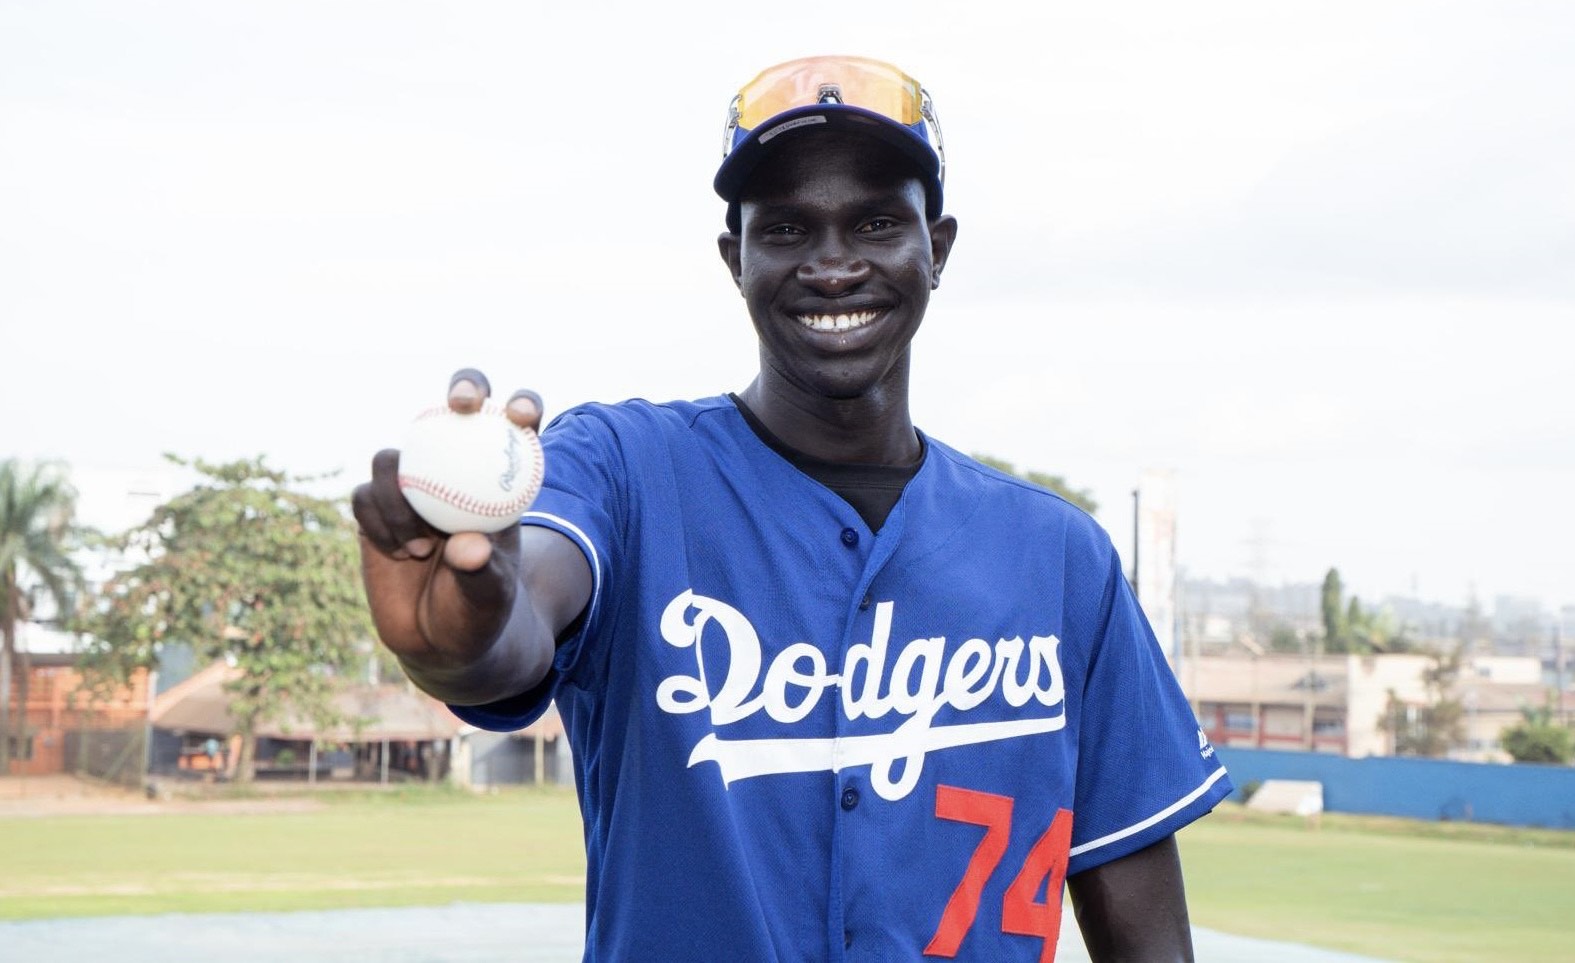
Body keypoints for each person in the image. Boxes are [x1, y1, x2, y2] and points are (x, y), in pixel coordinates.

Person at [354, 55, 1231, 962]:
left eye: (877, 222)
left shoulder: (1060, 557)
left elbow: (1145, 929)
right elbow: (517, 621)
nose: (833, 264)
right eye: (785, 228)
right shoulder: (626, 467)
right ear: (737, 259)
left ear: (939, 246)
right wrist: (462, 632)